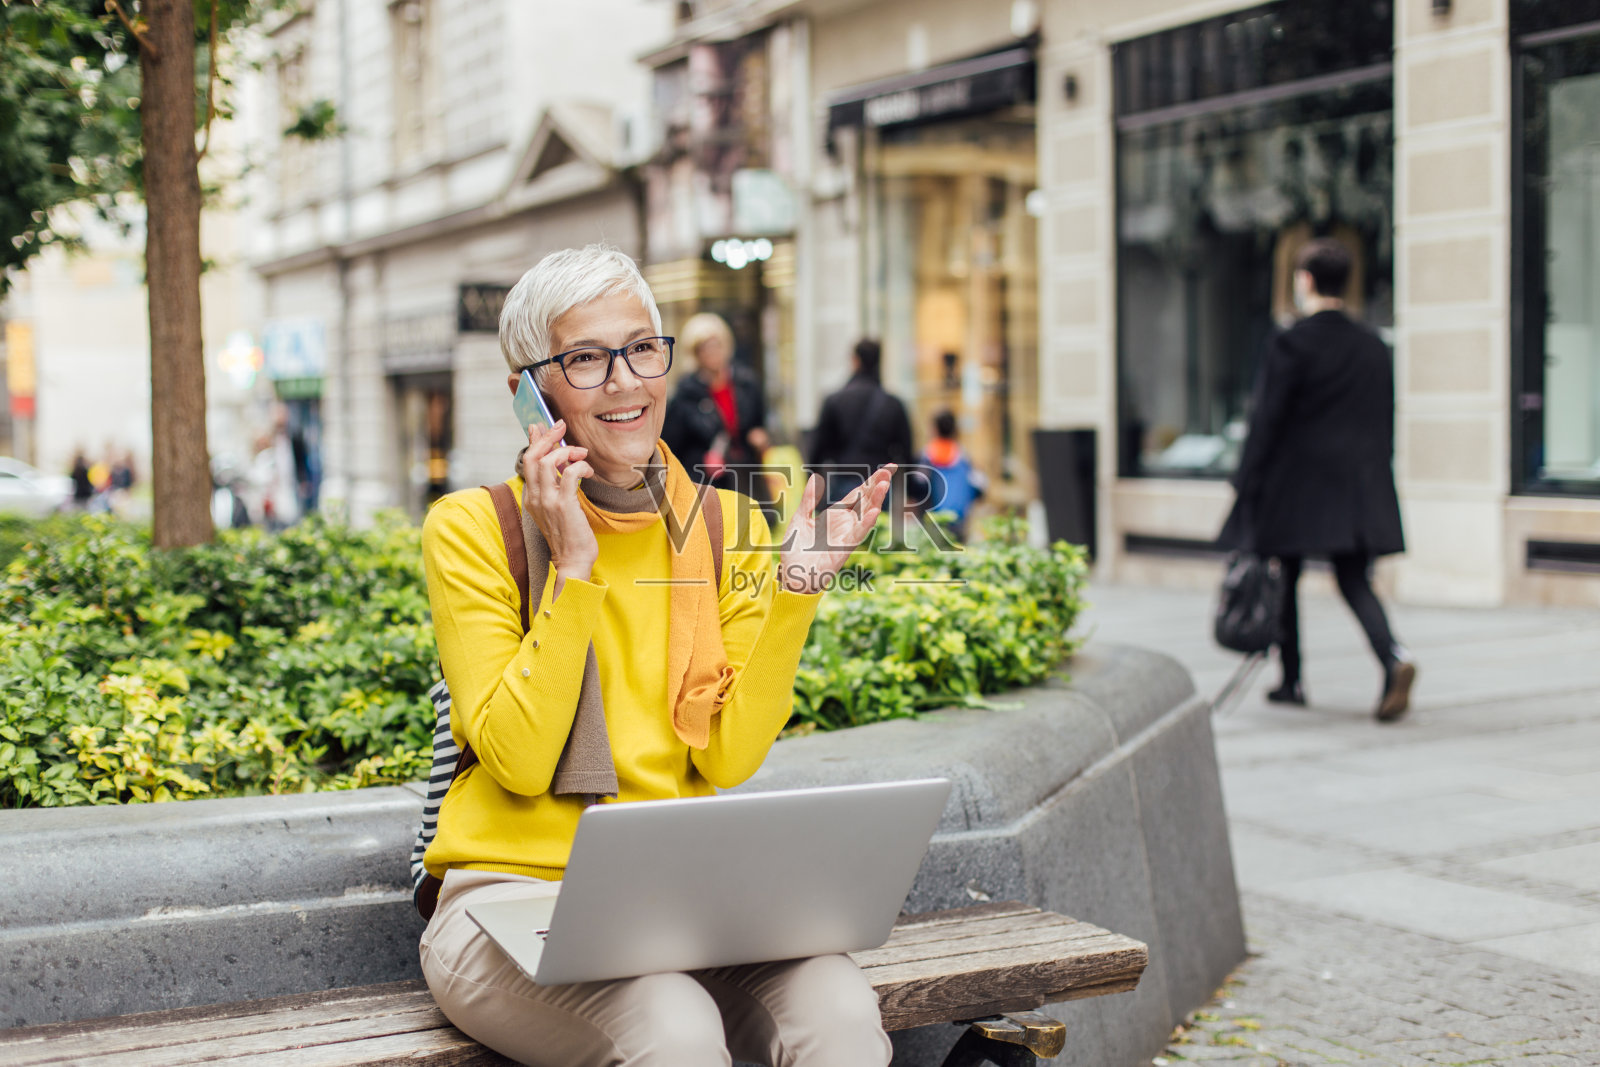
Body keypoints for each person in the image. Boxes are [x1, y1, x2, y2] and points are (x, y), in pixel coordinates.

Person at [418, 244, 896, 1067]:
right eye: (584, 358)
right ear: (528, 392)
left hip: (683, 898)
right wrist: (572, 568)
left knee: (841, 1008)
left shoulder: (724, 526)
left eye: (641, 347)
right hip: (505, 897)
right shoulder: (473, 528)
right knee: (670, 1025)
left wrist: (795, 594)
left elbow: (729, 755)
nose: (625, 381)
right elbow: (523, 763)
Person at [1219, 237, 1416, 722]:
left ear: (1304, 280)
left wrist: (1245, 481)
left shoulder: (1290, 341)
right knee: (1353, 579)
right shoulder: (1372, 345)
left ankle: (1292, 680)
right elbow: (1384, 421)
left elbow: (1266, 419)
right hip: (1355, 484)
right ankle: (1393, 657)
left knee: (1284, 577)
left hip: (1296, 485)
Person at [660, 311, 772, 511]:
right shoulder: (686, 394)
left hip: (745, 476)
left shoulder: (746, 383)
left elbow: (758, 424)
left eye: (716, 345)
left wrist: (760, 438)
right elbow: (673, 446)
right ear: (695, 354)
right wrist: (704, 459)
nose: (711, 353)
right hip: (707, 483)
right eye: (703, 348)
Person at [807, 339, 912, 507]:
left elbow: (818, 449)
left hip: (843, 480)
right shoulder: (892, 404)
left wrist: (811, 488)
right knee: (878, 530)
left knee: (843, 530)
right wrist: (912, 491)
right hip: (880, 484)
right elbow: (906, 450)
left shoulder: (834, 400)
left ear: (855, 360)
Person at [916, 410, 985, 541]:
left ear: (934, 429)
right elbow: (978, 486)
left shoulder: (927, 454)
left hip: (931, 518)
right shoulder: (962, 455)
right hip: (958, 518)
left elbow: (919, 485)